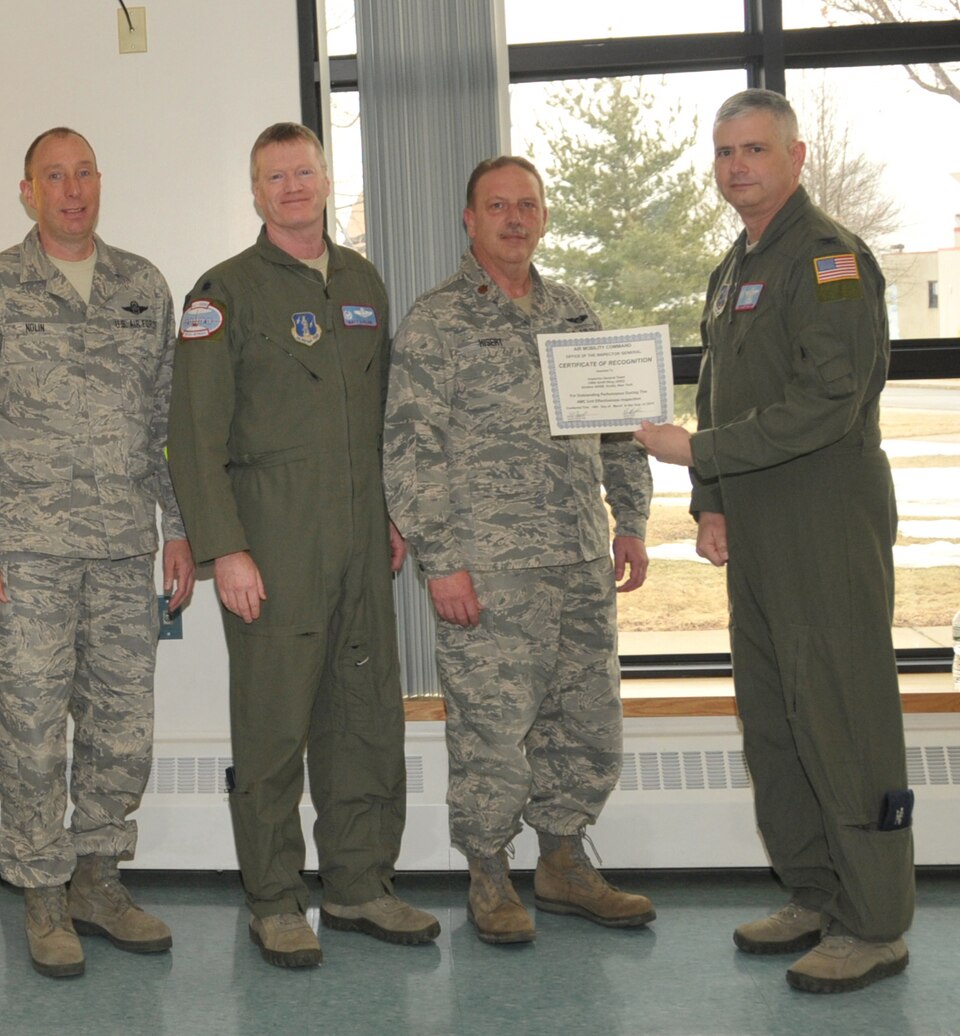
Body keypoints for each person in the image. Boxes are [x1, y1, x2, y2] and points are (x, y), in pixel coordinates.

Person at [636, 88, 911, 994]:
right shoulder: (738, 264)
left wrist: (702, 451)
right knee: (775, 719)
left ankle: (874, 924)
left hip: (825, 520)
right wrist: (709, 495)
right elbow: (725, 386)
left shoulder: (828, 259)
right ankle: (815, 892)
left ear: (796, 158)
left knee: (841, 714)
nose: (737, 167)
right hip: (756, 521)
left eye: (755, 149)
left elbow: (827, 405)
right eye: (723, 152)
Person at [0, 127, 194, 978]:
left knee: (121, 730)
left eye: (83, 175)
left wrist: (179, 526)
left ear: (99, 183)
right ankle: (43, 893)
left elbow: (166, 424)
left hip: (120, 549)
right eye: (54, 177)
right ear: (27, 191)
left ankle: (99, 882)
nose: (71, 190)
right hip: (22, 557)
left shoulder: (143, 286)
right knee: (33, 735)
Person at [166, 122, 435, 969]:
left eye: (304, 171)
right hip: (273, 543)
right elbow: (192, 434)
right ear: (255, 192)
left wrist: (394, 513)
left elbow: (388, 411)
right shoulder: (224, 292)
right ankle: (276, 899)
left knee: (362, 721)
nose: (292, 187)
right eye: (274, 176)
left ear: (325, 179)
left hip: (361, 539)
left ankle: (360, 886)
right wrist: (225, 550)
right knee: (273, 730)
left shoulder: (363, 282)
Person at [383, 156, 656, 945]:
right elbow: (408, 450)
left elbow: (621, 427)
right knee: (491, 733)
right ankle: (490, 875)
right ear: (468, 221)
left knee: (587, 721)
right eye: (496, 206)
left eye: (526, 205)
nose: (513, 218)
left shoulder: (574, 315)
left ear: (543, 217)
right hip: (489, 568)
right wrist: (443, 561)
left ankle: (565, 863)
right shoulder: (437, 323)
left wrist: (630, 520)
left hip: (577, 559)